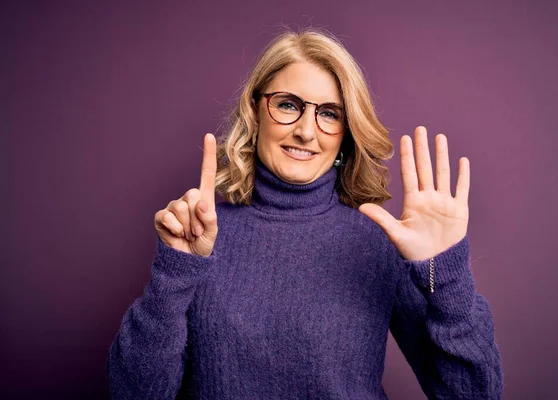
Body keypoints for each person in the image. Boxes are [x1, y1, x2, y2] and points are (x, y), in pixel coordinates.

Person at [107, 27, 503, 399]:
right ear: (255, 111)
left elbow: (472, 394)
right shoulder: (198, 236)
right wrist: (176, 272)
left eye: (329, 113)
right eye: (288, 105)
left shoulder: (378, 243)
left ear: (347, 131)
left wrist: (445, 274)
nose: (306, 131)